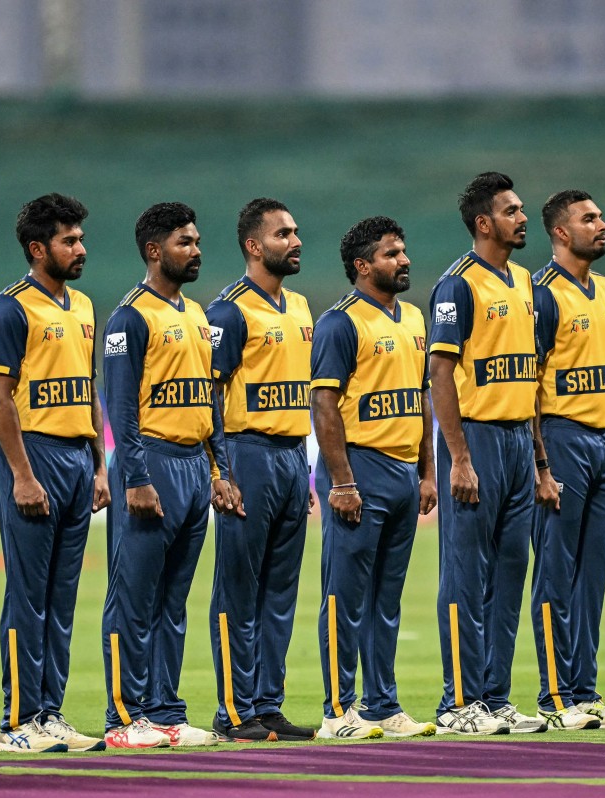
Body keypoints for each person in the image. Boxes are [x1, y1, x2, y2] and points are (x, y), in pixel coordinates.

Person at [101, 202, 239, 749]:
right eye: (185, 242)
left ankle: (164, 711)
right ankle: (123, 717)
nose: (197, 250)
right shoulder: (129, 317)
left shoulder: (199, 316)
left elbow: (211, 402)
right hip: (151, 463)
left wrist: (220, 470)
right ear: (155, 251)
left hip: (191, 466)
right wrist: (134, 477)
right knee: (133, 598)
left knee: (172, 601)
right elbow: (121, 409)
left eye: (198, 241)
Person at [0, 193, 110, 753]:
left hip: (80, 459)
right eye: (69, 240)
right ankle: (19, 720)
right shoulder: (11, 308)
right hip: (34, 455)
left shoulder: (83, 307)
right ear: (38, 249)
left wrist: (101, 464)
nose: (80, 248)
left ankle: (50, 712)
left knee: (61, 597)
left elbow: (89, 389)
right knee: (27, 594)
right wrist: (22, 474)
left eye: (80, 238)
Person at [310, 216, 437, 741]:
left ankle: (382, 705)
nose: (403, 260)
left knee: (387, 598)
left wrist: (428, 472)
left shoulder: (413, 318)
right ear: (363, 266)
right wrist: (341, 481)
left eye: (403, 252)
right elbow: (324, 404)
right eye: (391, 254)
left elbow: (421, 399)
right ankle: (338, 712)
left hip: (404, 472)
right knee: (344, 595)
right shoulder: (340, 323)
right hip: (358, 469)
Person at [429, 172, 545, 735]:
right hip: (475, 438)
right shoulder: (457, 285)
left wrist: (540, 462)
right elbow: (440, 375)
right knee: (465, 574)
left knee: (509, 572)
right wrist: (460, 458)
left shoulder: (524, 282)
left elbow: (532, 378)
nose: (523, 218)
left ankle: (495, 698)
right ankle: (458, 703)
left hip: (519, 441)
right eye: (512, 210)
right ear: (483, 222)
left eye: (522, 210)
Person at [206, 198, 315, 743]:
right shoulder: (228, 311)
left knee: (280, 592)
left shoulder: (300, 307)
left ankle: (268, 704)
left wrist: (308, 471)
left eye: (295, 232)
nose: (295, 241)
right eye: (282, 234)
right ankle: (233, 710)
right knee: (238, 589)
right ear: (254, 245)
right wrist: (218, 470)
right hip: (247, 453)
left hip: (294, 456)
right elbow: (210, 396)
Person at [528, 191, 605, 730]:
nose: (603, 225)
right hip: (561, 437)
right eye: (589, 219)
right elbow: (526, 384)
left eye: (601, 215)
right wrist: (540, 462)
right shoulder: (542, 296)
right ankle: (554, 698)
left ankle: (586, 691)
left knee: (593, 573)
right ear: (561, 233)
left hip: (604, 438)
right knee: (555, 569)